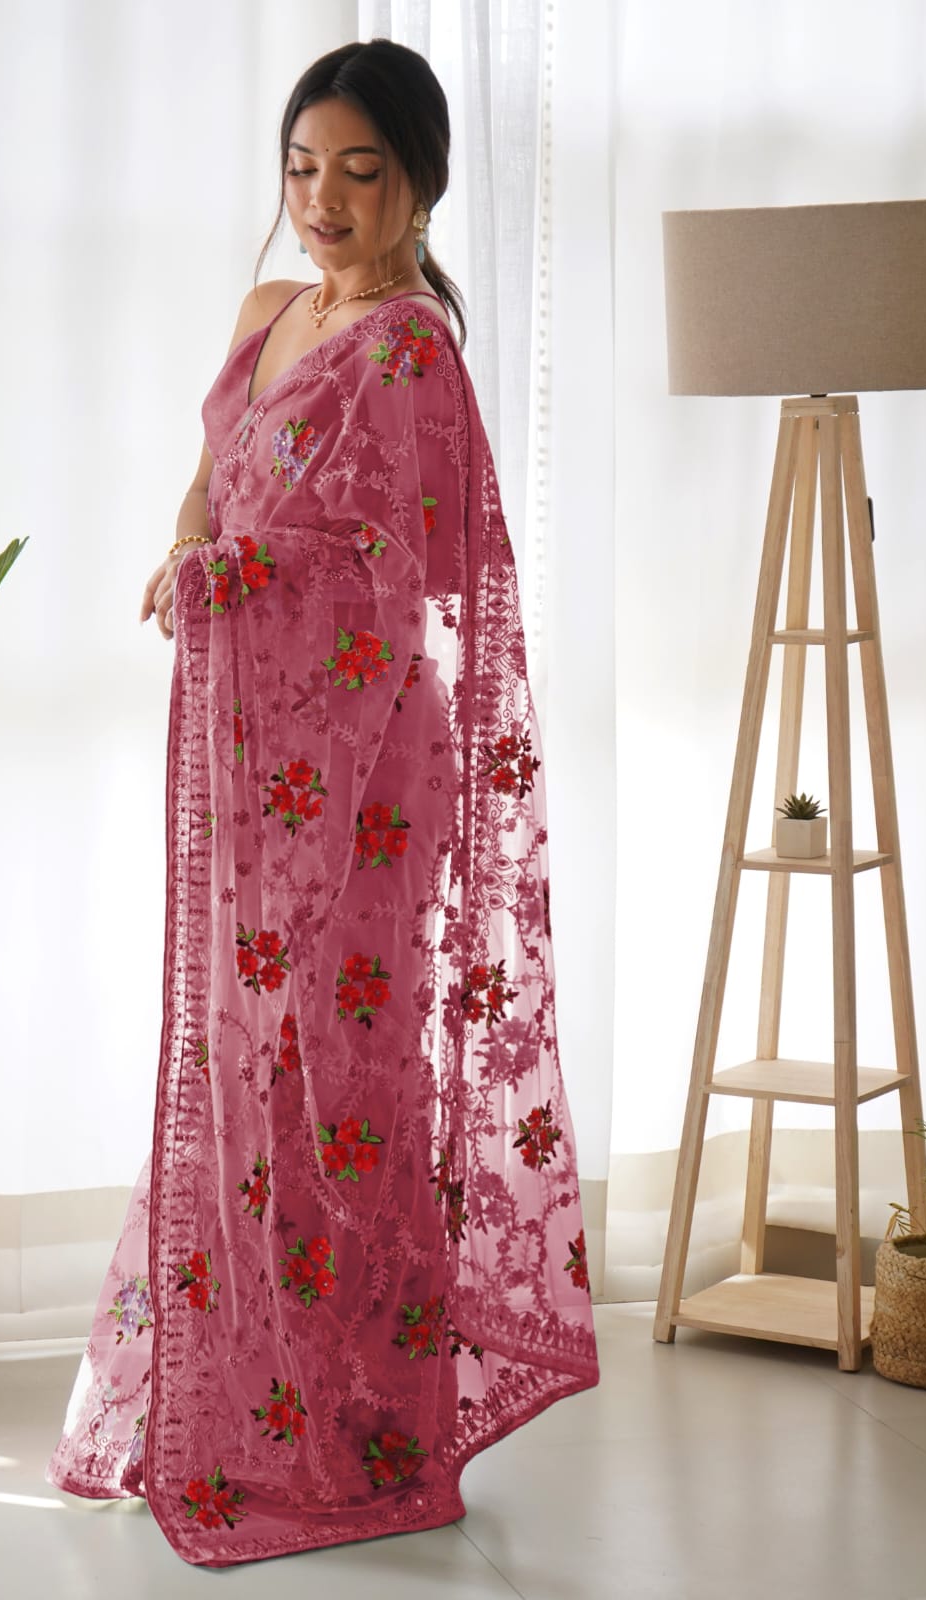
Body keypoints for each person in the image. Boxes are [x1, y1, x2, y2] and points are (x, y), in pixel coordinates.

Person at [46, 37, 599, 1569]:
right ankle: (249, 1395)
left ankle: (369, 1422)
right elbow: (213, 474)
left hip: (365, 765)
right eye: (303, 167)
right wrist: (190, 550)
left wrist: (240, 578)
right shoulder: (270, 313)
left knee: (341, 1078)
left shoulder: (413, 353)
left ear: (422, 184)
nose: (324, 199)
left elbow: (394, 577)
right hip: (249, 746)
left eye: (361, 171)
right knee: (241, 1069)